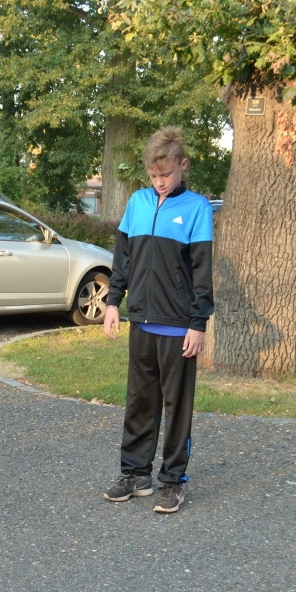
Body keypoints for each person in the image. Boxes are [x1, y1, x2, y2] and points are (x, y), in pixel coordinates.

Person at [102, 127, 214, 513]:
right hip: (142, 321)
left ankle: (173, 480)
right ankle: (135, 474)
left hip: (179, 326)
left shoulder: (198, 208)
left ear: (182, 165)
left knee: (176, 405)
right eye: (153, 176)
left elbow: (202, 271)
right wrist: (114, 302)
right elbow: (124, 258)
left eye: (165, 175)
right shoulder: (138, 202)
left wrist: (198, 323)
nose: (159, 182)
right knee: (139, 401)